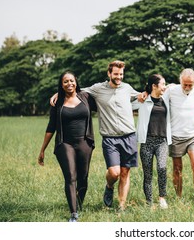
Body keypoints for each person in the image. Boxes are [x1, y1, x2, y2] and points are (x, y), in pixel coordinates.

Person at [51, 60, 140, 210]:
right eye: (116, 74)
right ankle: (109, 186)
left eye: (121, 74)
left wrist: (168, 88)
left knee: (125, 172)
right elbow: (76, 89)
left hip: (129, 136)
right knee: (115, 172)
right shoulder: (98, 89)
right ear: (109, 73)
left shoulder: (127, 88)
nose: (119, 77)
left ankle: (122, 207)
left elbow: (142, 95)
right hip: (110, 138)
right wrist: (57, 93)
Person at [38, 71, 97, 222]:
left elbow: (105, 97)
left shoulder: (86, 97)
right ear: (61, 84)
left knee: (83, 177)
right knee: (71, 177)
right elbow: (51, 127)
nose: (69, 84)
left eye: (71, 81)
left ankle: (78, 203)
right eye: (65, 82)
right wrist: (42, 149)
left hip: (85, 142)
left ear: (76, 81)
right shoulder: (57, 102)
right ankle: (73, 213)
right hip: (65, 143)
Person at [163, 68, 194, 208]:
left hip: (192, 135)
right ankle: (178, 197)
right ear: (180, 81)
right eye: (185, 84)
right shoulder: (171, 91)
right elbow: (158, 96)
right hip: (176, 136)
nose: (188, 87)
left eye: (191, 84)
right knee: (177, 168)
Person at [136, 74, 171, 209]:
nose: (164, 86)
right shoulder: (143, 100)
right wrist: (143, 93)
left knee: (162, 168)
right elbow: (129, 100)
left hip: (162, 141)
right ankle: (149, 201)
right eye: (162, 84)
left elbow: (174, 86)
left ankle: (162, 198)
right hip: (147, 142)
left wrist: (167, 86)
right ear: (154, 86)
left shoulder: (166, 98)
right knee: (148, 173)